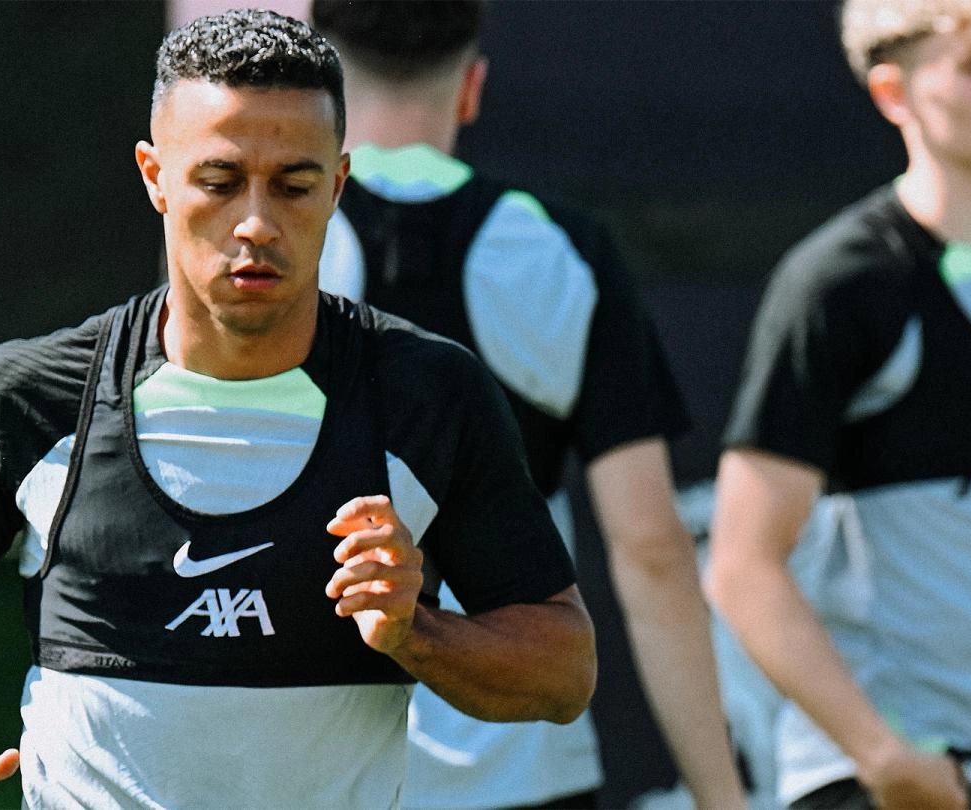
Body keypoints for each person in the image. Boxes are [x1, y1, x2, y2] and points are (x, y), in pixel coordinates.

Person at [0, 10, 598, 809]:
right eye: (220, 180)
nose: (257, 223)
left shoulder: (427, 397)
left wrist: (417, 631)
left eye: (295, 185)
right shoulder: (34, 396)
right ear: (155, 176)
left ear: (339, 185)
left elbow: (563, 670)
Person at [308, 3, 746, 809]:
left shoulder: (259, 250)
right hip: (529, 773)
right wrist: (723, 795)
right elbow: (650, 546)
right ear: (472, 87)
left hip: (318, 773)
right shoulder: (564, 251)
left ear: (320, 87)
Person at [705, 0, 971, 807]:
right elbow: (743, 565)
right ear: (895, 94)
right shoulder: (845, 284)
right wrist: (883, 756)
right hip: (872, 783)